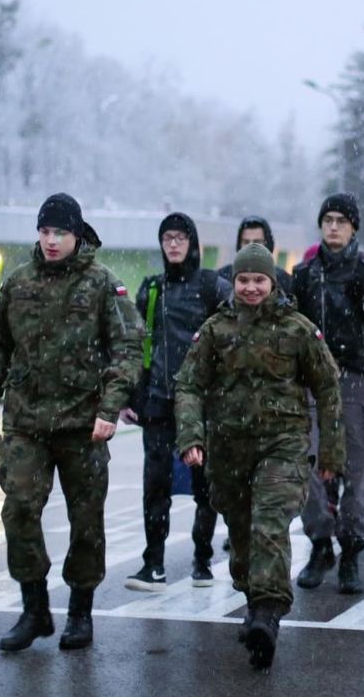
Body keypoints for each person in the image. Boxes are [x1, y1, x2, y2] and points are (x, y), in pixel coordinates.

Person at [0, 193, 143, 652]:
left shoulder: (103, 284)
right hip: (27, 419)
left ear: (76, 235)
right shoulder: (18, 282)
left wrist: (110, 409)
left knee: (86, 522)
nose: (51, 241)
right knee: (19, 510)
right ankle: (34, 610)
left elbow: (128, 349)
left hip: (83, 423)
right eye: (45, 231)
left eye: (60, 233)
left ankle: (80, 614)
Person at [175, 244, 344, 670]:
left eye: (259, 280)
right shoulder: (215, 330)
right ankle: (255, 604)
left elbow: (327, 388)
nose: (251, 288)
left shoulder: (297, 328)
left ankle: (267, 615)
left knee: (270, 524)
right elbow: (189, 385)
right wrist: (191, 436)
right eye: (244, 280)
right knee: (243, 534)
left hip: (283, 446)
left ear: (272, 283)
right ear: (234, 283)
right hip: (229, 451)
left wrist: (331, 451)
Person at [292, 192, 364, 594]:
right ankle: (321, 542)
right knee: (305, 468)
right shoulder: (306, 274)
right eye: (328, 220)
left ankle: (351, 553)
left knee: (356, 476)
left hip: (359, 383)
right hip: (314, 384)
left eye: (342, 220)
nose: (334, 226)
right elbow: (290, 325)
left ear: (354, 226)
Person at [122, 213, 232, 592]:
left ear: (192, 242)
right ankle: (153, 564)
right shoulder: (152, 288)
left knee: (206, 486)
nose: (172, 244)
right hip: (157, 403)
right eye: (166, 238)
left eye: (179, 238)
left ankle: (202, 560)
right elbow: (139, 344)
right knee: (155, 485)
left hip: (202, 403)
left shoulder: (211, 285)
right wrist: (131, 394)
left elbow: (236, 329)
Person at [217, 215, 295, 296]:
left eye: (257, 242)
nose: (251, 246)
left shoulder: (284, 280)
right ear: (239, 245)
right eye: (246, 242)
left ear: (267, 244)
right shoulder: (222, 277)